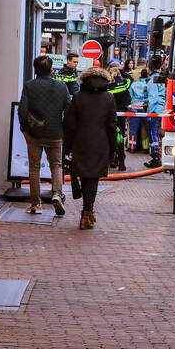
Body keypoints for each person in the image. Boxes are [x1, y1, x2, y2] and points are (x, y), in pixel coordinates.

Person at [64, 67, 118, 229]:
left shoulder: (78, 97)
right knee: (93, 177)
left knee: (82, 174)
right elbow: (111, 125)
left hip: (80, 141)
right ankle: (87, 213)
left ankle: (86, 210)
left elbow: (70, 124)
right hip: (100, 142)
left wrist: (68, 145)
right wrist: (113, 146)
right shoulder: (109, 97)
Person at [19, 55, 72, 215]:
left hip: (34, 133)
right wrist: (64, 130)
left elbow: (22, 110)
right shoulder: (62, 86)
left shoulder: (29, 86)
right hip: (55, 133)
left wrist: (24, 129)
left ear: (35, 69)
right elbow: (68, 110)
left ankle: (36, 204)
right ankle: (56, 193)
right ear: (51, 69)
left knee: (34, 168)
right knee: (56, 165)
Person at [106, 62, 132, 171]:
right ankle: (121, 162)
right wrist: (121, 70)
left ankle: (111, 159)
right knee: (120, 137)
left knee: (109, 137)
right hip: (121, 115)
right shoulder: (124, 83)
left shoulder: (106, 85)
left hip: (109, 116)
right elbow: (130, 78)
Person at [143, 65, 167, 168]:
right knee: (158, 133)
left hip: (155, 109)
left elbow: (153, 97)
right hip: (162, 108)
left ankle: (155, 157)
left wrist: (150, 112)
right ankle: (158, 156)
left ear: (150, 69)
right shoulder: (162, 79)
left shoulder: (153, 80)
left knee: (153, 133)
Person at [128, 68, 150, 153]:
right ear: (147, 75)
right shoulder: (149, 85)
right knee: (147, 129)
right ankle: (146, 148)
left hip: (134, 108)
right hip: (145, 108)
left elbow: (130, 97)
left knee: (133, 129)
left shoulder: (134, 85)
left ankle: (132, 147)